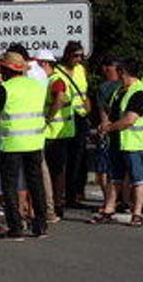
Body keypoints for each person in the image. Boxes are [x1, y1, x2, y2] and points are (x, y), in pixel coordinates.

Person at [0, 52, 49, 241]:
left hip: (12, 143)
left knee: (10, 187)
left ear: (6, 69)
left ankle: (16, 228)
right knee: (36, 184)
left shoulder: (4, 88)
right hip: (35, 142)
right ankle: (41, 226)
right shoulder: (37, 86)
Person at [93, 58, 143, 226]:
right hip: (118, 142)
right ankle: (109, 210)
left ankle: (137, 213)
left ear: (124, 72)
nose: (117, 76)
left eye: (119, 72)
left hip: (134, 144)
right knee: (115, 178)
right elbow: (113, 112)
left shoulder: (138, 91)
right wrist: (105, 124)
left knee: (138, 180)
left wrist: (109, 128)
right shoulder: (121, 91)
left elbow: (130, 119)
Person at [36, 48, 75, 220]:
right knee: (55, 170)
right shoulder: (53, 79)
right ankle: (56, 204)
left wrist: (47, 118)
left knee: (55, 171)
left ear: (44, 63)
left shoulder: (55, 80)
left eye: (38, 64)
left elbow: (59, 98)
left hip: (56, 133)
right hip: (57, 132)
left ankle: (57, 205)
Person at [58, 41, 90, 208]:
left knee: (79, 158)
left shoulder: (80, 70)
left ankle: (74, 194)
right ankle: (63, 195)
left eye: (81, 56)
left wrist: (88, 104)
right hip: (64, 118)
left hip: (80, 116)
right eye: (76, 55)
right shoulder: (58, 71)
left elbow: (84, 92)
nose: (78, 59)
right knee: (64, 159)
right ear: (68, 55)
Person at [93, 57, 121, 207]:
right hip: (123, 130)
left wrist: (104, 126)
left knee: (103, 168)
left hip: (109, 129)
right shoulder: (126, 85)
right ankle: (121, 200)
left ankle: (108, 201)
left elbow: (102, 110)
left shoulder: (104, 87)